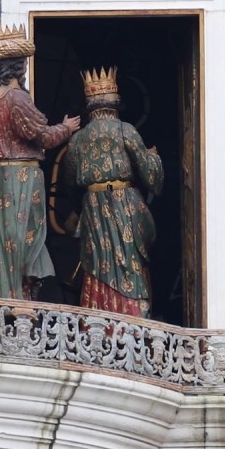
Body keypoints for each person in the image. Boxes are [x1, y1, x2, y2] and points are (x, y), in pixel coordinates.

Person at [0, 24, 80, 300]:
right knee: (24, 239)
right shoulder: (17, 98)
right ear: (19, 67)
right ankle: (21, 300)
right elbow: (41, 135)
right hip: (20, 179)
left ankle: (5, 298)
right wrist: (66, 128)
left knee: (2, 242)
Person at [61, 66, 164, 318]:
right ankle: (134, 322)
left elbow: (69, 182)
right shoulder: (126, 130)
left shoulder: (79, 139)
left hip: (94, 209)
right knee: (131, 263)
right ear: (116, 105)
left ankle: (99, 324)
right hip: (126, 205)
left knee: (97, 263)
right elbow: (150, 176)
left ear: (89, 109)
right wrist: (155, 158)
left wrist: (83, 203)